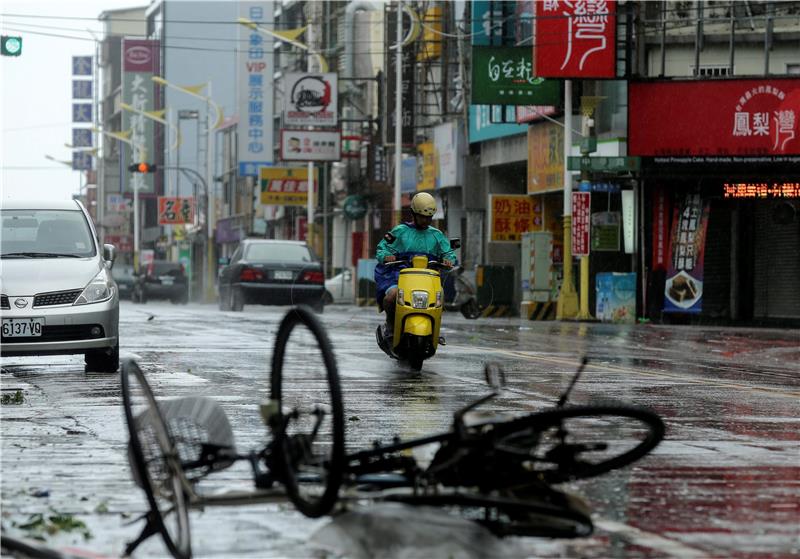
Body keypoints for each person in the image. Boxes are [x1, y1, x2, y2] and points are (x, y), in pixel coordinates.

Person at [374, 192, 457, 339]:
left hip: (427, 280)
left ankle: (434, 330)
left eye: (429, 217)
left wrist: (449, 259)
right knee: (391, 297)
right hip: (398, 277)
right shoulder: (400, 231)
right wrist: (386, 256)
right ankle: (391, 325)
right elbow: (382, 247)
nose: (425, 220)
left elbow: (448, 252)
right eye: (422, 216)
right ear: (413, 213)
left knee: (440, 297)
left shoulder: (437, 235)